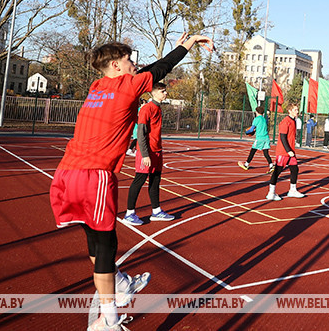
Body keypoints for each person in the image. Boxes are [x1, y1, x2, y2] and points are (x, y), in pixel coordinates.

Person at [49, 34, 213, 330]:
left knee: (94, 239)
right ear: (116, 65)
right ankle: (109, 319)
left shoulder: (97, 86)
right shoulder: (127, 86)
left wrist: (146, 67)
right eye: (129, 61)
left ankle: (122, 283)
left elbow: (147, 70)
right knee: (106, 244)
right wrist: (189, 45)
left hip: (66, 172)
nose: (135, 65)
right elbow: (161, 67)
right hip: (94, 174)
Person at [123, 83, 174, 226]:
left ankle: (156, 211)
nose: (166, 93)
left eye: (165, 91)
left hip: (157, 151)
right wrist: (145, 154)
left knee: (155, 180)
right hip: (147, 152)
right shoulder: (147, 109)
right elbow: (141, 133)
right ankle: (129, 213)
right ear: (155, 93)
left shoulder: (158, 108)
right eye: (163, 91)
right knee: (139, 179)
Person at [267, 103, 306, 200]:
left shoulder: (294, 121)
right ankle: (271, 193)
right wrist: (288, 150)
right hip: (283, 151)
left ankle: (292, 190)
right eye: (295, 110)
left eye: (297, 110)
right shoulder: (286, 121)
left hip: (290, 151)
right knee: (277, 171)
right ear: (289, 111)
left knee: (295, 169)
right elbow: (282, 137)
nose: (297, 112)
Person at [238, 106, 275, 173]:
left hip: (260, 138)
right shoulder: (264, 119)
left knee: (253, 151)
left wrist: (246, 132)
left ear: (257, 112)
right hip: (266, 138)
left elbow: (251, 129)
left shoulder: (256, 119)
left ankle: (246, 165)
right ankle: (271, 166)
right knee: (266, 153)